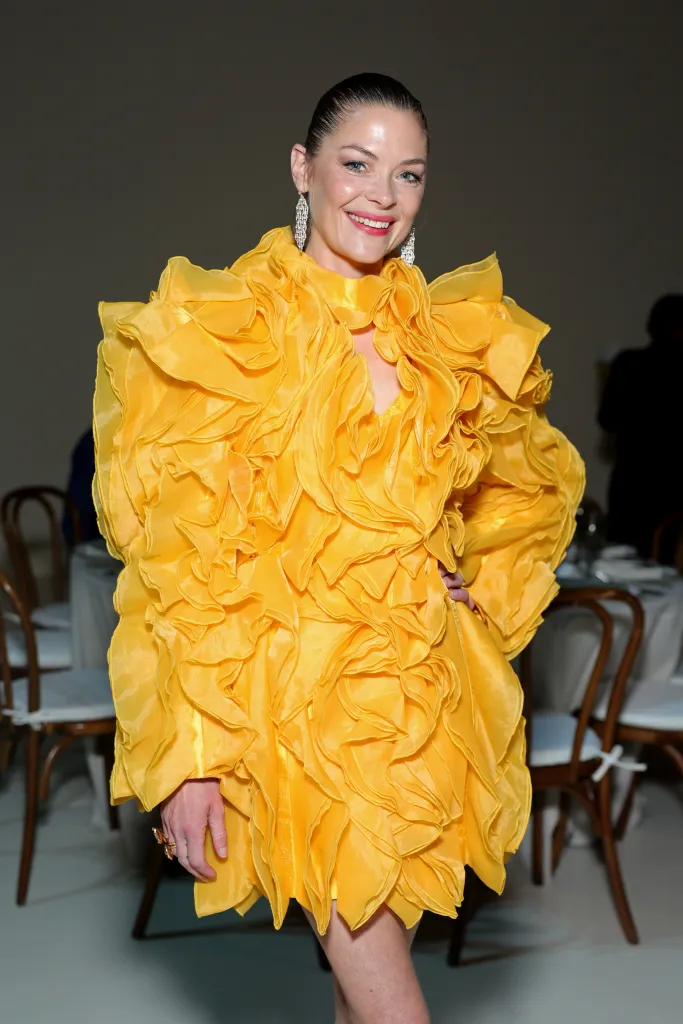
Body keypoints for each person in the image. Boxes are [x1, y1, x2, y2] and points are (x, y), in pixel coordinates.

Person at [93, 74, 584, 1024]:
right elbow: (174, 566)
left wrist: (477, 576)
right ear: (302, 167)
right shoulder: (227, 332)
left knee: (361, 999)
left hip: (418, 696)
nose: (382, 196)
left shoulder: (447, 337)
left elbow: (527, 479)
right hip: (286, 706)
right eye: (356, 164)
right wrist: (190, 753)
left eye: (409, 174)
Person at [599, 294, 683, 557]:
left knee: (623, 557)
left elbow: (607, 419)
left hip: (632, 480)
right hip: (664, 483)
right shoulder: (629, 364)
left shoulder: (628, 364)